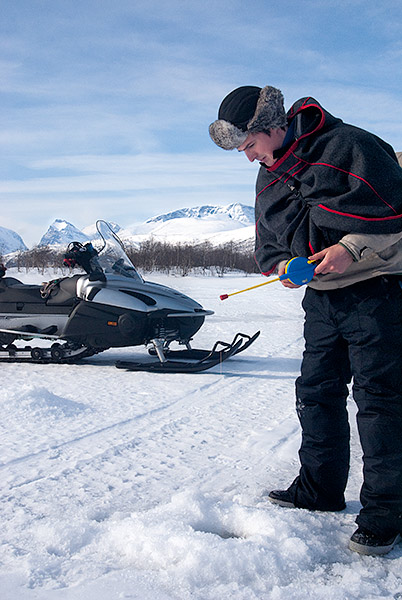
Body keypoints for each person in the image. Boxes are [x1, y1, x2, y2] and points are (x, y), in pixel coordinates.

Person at [209, 85, 402, 556]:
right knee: (316, 392)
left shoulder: (349, 146)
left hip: (376, 291)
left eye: (249, 145)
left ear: (273, 128)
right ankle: (319, 489)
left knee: (380, 402)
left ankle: (385, 513)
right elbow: (270, 237)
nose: (247, 157)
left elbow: (394, 214)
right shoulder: (267, 175)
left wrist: (348, 249)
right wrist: (281, 267)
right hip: (321, 301)